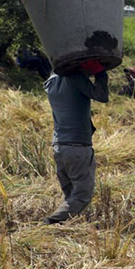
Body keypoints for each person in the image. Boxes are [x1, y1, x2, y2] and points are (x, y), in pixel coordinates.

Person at [44, 60, 110, 224]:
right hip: (77, 147)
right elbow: (102, 96)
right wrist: (100, 74)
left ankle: (64, 228)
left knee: (71, 195)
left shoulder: (50, 83)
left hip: (59, 146)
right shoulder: (75, 79)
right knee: (82, 195)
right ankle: (50, 223)